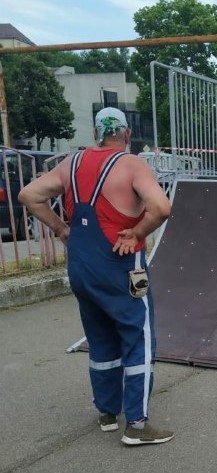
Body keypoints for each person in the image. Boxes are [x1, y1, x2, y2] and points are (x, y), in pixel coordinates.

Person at [18, 107, 173, 445]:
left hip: (82, 271)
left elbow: (28, 195)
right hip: (121, 268)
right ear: (127, 134)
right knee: (138, 339)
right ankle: (137, 425)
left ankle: (107, 413)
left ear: (96, 134)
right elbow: (161, 208)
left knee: (100, 339)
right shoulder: (132, 165)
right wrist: (137, 232)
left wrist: (61, 228)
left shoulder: (70, 164)